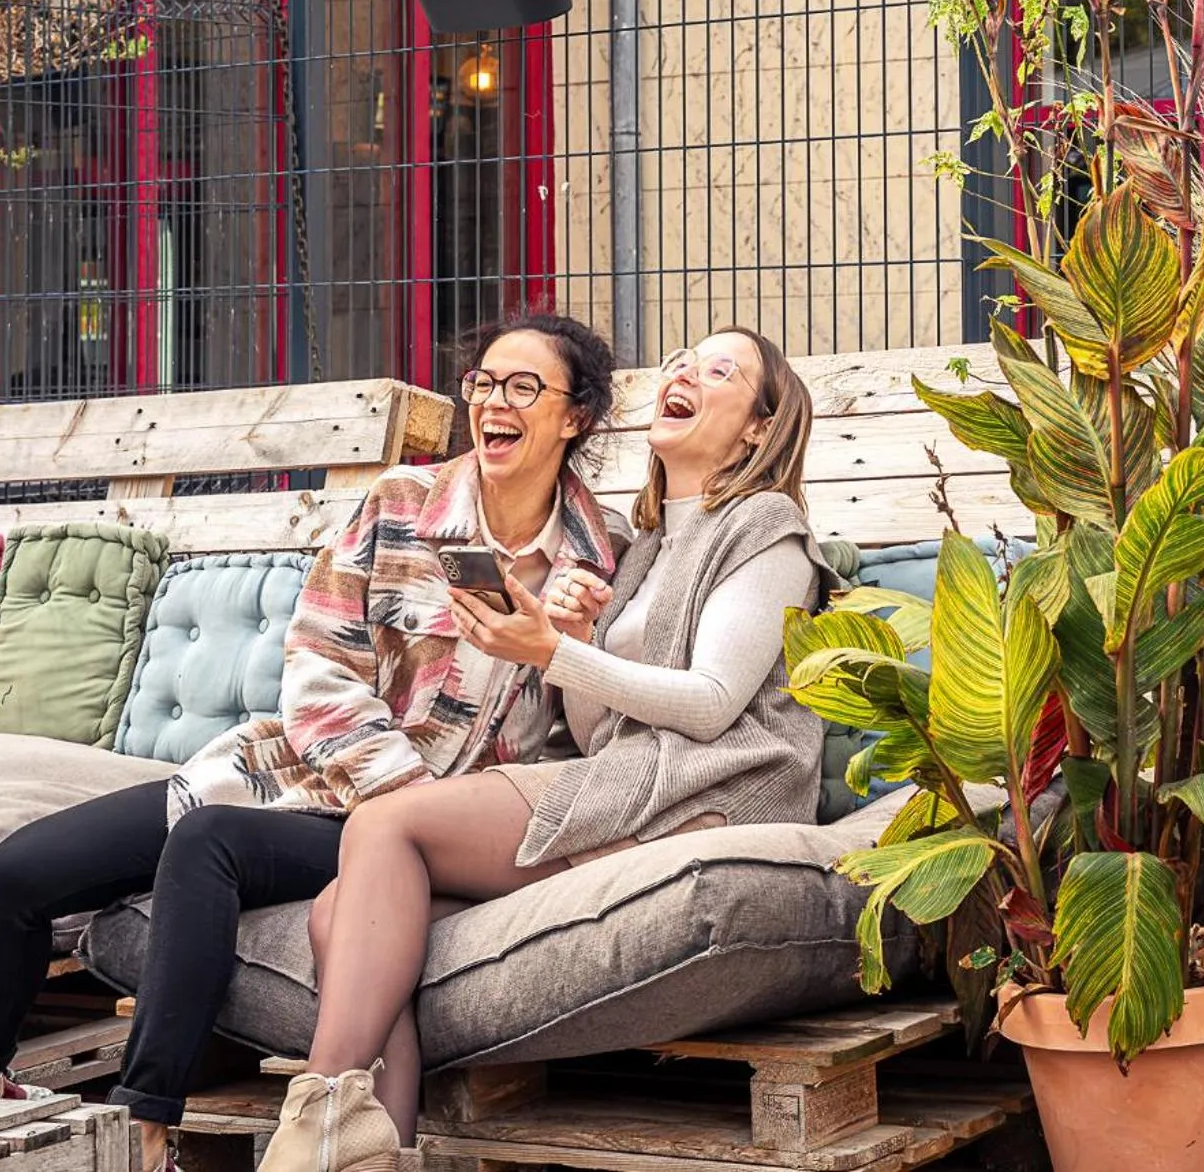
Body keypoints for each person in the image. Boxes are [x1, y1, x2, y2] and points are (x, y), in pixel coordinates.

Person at [0, 313, 625, 1172]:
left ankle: (144, 1132)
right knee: (14, 875)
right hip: (298, 772)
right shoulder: (402, 504)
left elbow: (581, 744)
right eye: (483, 382)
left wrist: (569, 648)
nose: (495, 401)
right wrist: (400, 790)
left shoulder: (602, 559)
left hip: (407, 837)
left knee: (209, 843)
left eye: (524, 386)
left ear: (575, 415)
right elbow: (316, 659)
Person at [259, 326, 835, 1172]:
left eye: (721, 371)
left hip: (710, 792)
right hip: (627, 776)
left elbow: (713, 705)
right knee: (337, 911)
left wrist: (556, 651)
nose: (686, 372)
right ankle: (377, 1150)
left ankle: (315, 1119)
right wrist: (579, 636)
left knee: (385, 823)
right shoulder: (645, 544)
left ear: (758, 427)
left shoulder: (767, 528)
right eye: (683, 360)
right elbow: (600, 728)